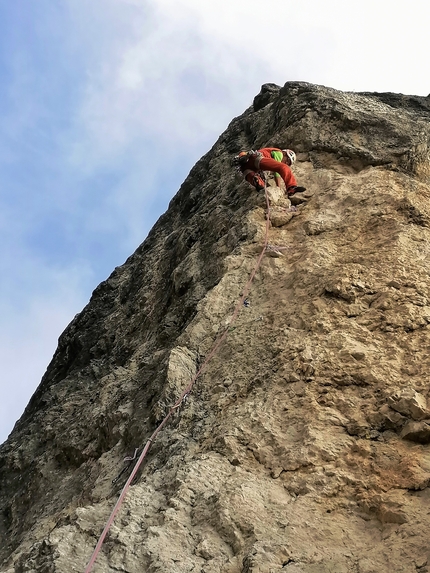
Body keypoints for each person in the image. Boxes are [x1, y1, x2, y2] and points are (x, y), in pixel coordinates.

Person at [234, 148, 306, 196]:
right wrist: (279, 187)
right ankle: (291, 187)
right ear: (285, 154)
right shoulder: (279, 153)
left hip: (245, 167)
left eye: (288, 163)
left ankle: (256, 180)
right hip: (257, 159)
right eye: (287, 161)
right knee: (284, 167)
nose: (286, 163)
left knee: (258, 181)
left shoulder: (273, 152)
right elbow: (277, 171)